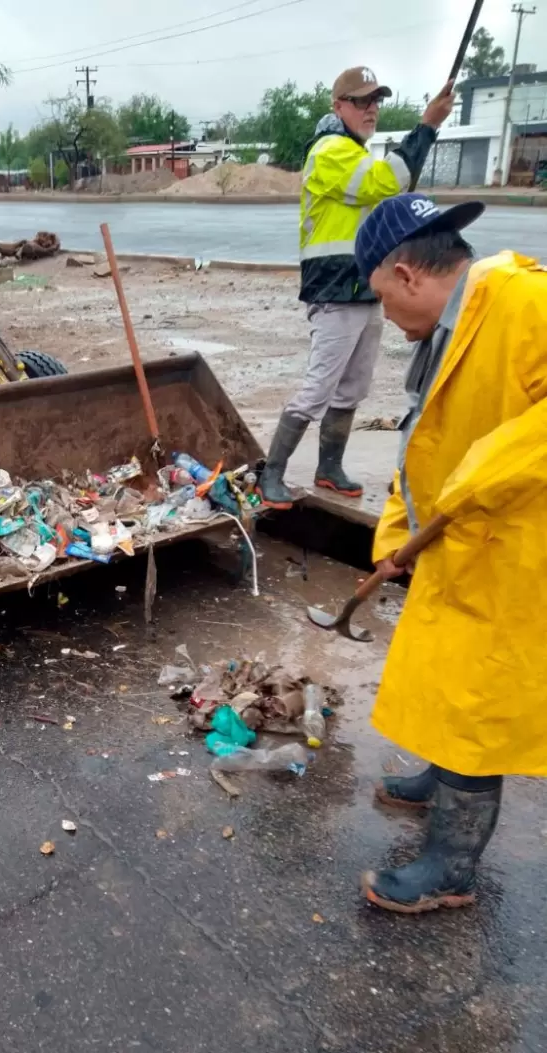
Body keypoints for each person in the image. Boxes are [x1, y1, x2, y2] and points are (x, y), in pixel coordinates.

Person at [352, 192, 547, 914]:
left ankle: (453, 869)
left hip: (516, 549)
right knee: (442, 670)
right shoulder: (445, 332)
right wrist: (396, 536)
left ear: (406, 275)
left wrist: (477, 481)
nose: (385, 316)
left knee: (475, 702)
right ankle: (442, 777)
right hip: (457, 543)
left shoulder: (523, 300)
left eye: (380, 298)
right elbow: (418, 444)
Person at [258, 68, 454, 509]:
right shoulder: (330, 151)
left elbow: (390, 188)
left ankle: (330, 467)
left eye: (376, 102)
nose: (372, 110)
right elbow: (387, 182)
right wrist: (427, 126)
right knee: (319, 386)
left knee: (353, 386)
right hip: (334, 288)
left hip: (364, 287)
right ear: (338, 106)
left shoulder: (354, 152)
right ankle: (271, 475)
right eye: (362, 101)